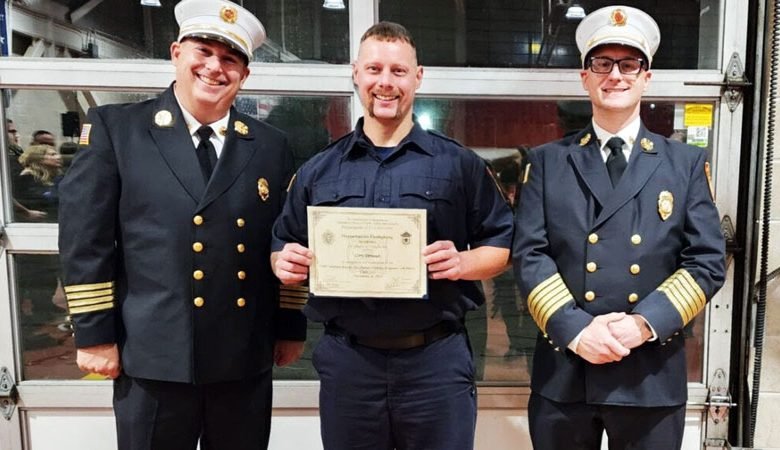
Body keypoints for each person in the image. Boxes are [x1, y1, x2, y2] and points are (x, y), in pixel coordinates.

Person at [58, 1, 306, 449]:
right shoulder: (119, 129)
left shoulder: (271, 145)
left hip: (243, 357)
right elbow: (85, 239)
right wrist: (95, 334)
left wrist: (290, 324)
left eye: (230, 59)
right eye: (204, 51)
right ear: (176, 53)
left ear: (245, 75)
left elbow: (284, 238)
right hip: (152, 357)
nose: (215, 67)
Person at [272, 21, 513, 450]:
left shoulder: (459, 165)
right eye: (375, 69)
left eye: (399, 71)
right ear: (356, 73)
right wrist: (283, 262)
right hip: (349, 361)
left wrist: (462, 262)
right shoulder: (318, 169)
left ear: (418, 77)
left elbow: (502, 244)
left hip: (435, 361)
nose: (386, 83)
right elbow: (283, 244)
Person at [512, 6, 726, 450]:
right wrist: (577, 330)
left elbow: (706, 260)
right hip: (566, 372)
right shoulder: (547, 162)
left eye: (629, 64)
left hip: (649, 371)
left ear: (646, 77)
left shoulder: (684, 165)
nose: (616, 76)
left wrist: (645, 323)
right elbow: (529, 255)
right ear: (584, 76)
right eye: (603, 64)